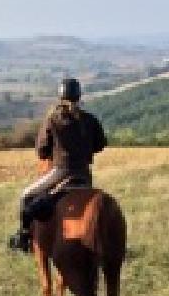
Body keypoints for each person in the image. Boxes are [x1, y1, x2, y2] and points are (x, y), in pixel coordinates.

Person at [8, 76, 107, 253]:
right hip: (84, 173)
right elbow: (101, 144)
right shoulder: (90, 119)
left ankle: (24, 237)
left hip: (61, 171)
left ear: (60, 97)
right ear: (79, 96)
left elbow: (42, 151)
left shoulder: (53, 119)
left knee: (25, 195)